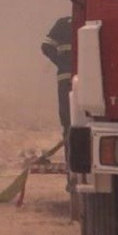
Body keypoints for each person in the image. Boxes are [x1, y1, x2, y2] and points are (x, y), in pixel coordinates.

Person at [40, 15, 73, 143]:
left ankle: (70, 152)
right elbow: (46, 46)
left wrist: (62, 63)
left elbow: (46, 46)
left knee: (68, 118)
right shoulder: (66, 23)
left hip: (66, 77)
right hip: (89, 80)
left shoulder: (63, 23)